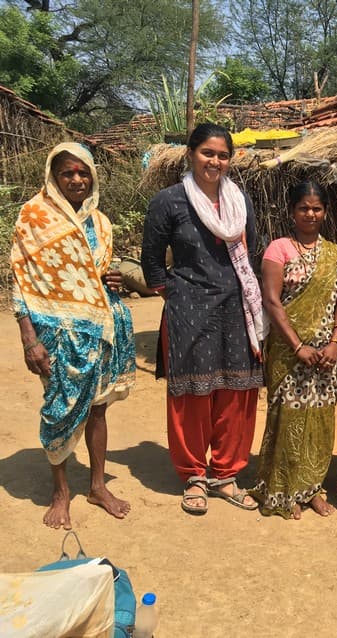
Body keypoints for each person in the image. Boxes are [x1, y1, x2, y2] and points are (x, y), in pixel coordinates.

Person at [11, 142, 136, 529]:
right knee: (60, 408)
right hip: (55, 333)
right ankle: (60, 491)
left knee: (98, 407)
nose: (77, 180)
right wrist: (29, 339)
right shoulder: (33, 217)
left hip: (100, 329)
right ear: (54, 175)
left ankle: (97, 485)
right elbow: (21, 280)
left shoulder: (100, 222)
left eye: (84, 173)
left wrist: (114, 279)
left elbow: (98, 276)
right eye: (68, 173)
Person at [141, 123, 264, 515]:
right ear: (191, 153)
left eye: (222, 155)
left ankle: (226, 474)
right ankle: (194, 475)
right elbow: (152, 262)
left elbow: (254, 254)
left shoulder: (239, 202)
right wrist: (177, 296)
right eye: (207, 153)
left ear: (230, 160)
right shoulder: (170, 201)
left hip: (235, 310)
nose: (215, 161)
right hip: (189, 310)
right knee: (192, 396)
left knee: (236, 394)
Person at [249, 181, 337, 519]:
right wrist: (298, 346)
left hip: (325, 354)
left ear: (325, 211)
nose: (310, 213)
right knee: (288, 417)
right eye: (304, 207)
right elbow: (272, 302)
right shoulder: (278, 249)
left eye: (317, 208)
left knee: (320, 420)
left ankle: (313, 488)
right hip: (289, 351)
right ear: (292, 210)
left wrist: (335, 342)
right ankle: (283, 490)